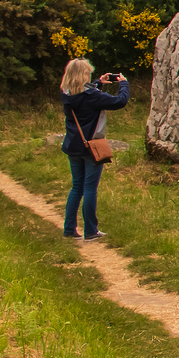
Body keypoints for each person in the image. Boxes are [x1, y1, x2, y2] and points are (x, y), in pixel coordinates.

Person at [58, 58, 129, 241]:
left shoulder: (66, 94)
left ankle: (69, 228)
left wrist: (98, 83)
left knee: (77, 187)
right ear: (83, 75)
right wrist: (124, 84)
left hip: (73, 145)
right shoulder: (92, 96)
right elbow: (120, 101)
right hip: (92, 147)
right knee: (90, 188)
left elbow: (85, 94)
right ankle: (90, 230)